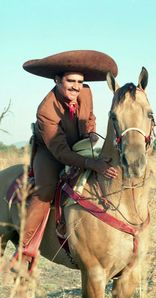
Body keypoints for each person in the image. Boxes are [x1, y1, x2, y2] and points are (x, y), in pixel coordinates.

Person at [18, 50, 118, 265]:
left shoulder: (86, 92)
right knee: (45, 189)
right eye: (70, 81)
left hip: (79, 144)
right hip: (51, 151)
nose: (76, 86)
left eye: (80, 81)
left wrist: (91, 131)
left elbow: (89, 115)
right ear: (57, 80)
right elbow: (61, 152)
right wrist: (92, 163)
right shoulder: (45, 110)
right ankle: (24, 250)